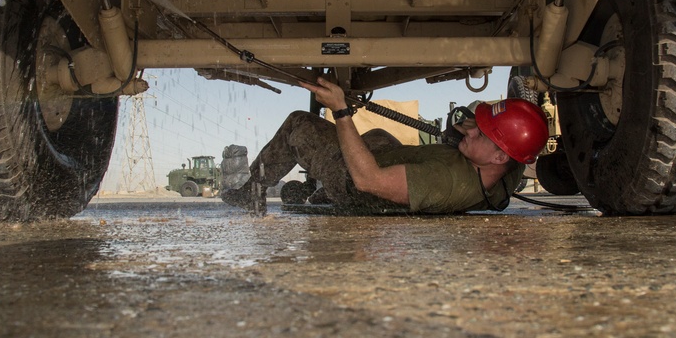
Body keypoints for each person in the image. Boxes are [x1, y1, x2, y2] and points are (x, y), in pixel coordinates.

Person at [220, 77, 549, 215]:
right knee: (377, 133)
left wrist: (341, 110)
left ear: (498, 155)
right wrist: (465, 133)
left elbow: (369, 181)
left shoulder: (446, 182)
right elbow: (524, 134)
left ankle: (250, 194)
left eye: (482, 134)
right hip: (384, 155)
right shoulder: (506, 166)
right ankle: (319, 189)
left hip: (355, 180)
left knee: (299, 123)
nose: (473, 131)